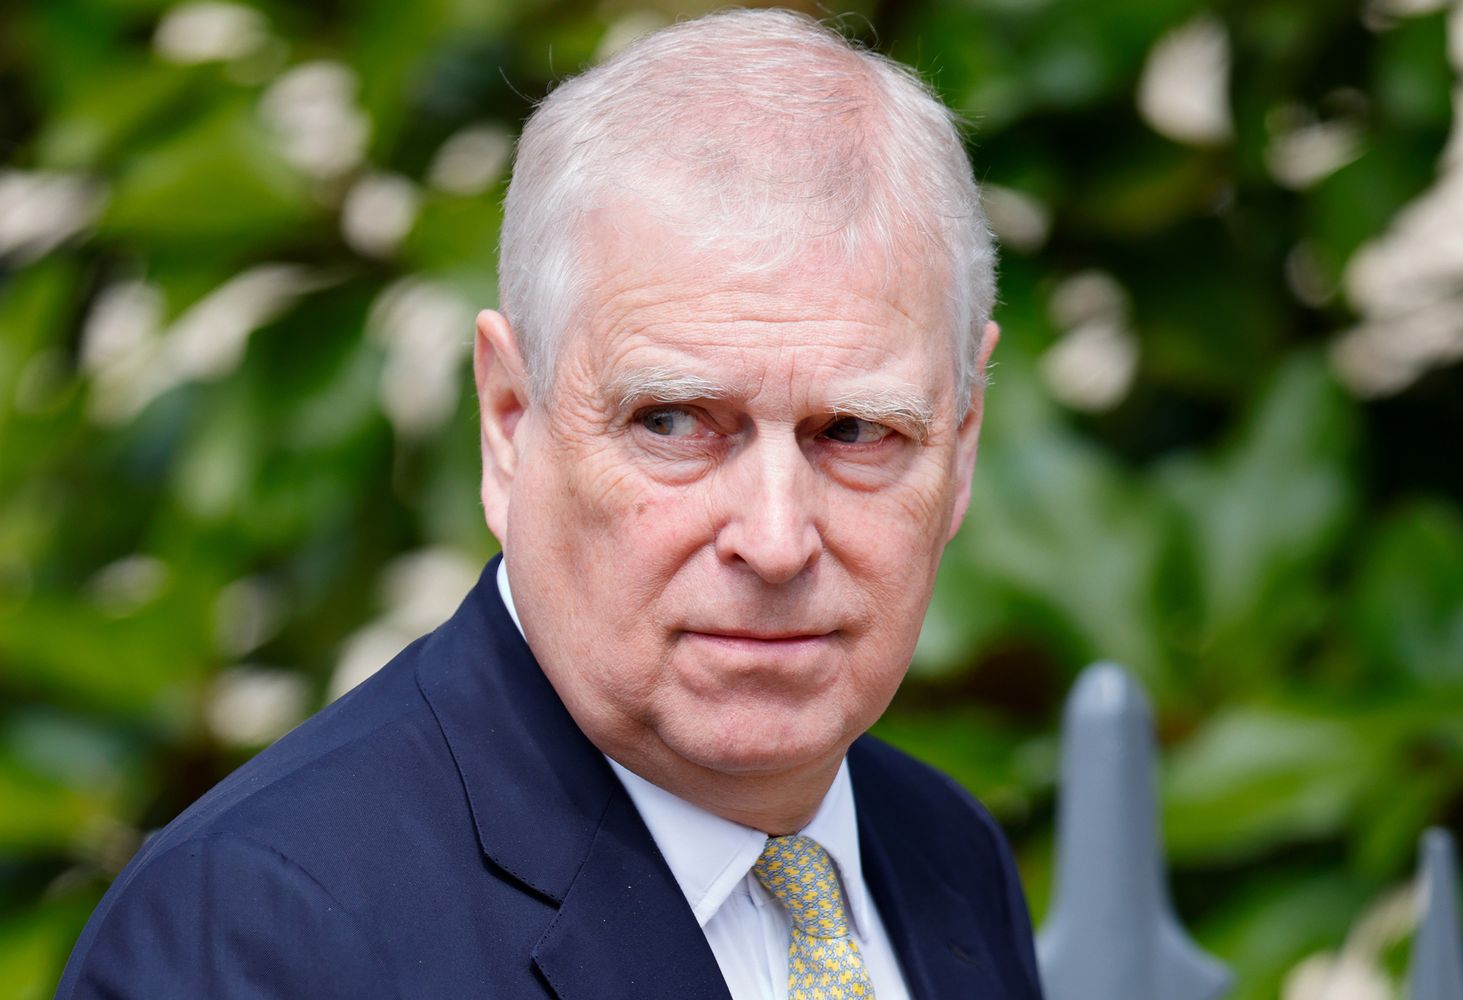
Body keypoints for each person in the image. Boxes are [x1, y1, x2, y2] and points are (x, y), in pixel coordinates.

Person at [56, 10, 1043, 999]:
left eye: (856, 431)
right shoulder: (259, 932)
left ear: (960, 444)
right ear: (508, 421)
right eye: (673, 422)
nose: (777, 541)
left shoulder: (943, 854)